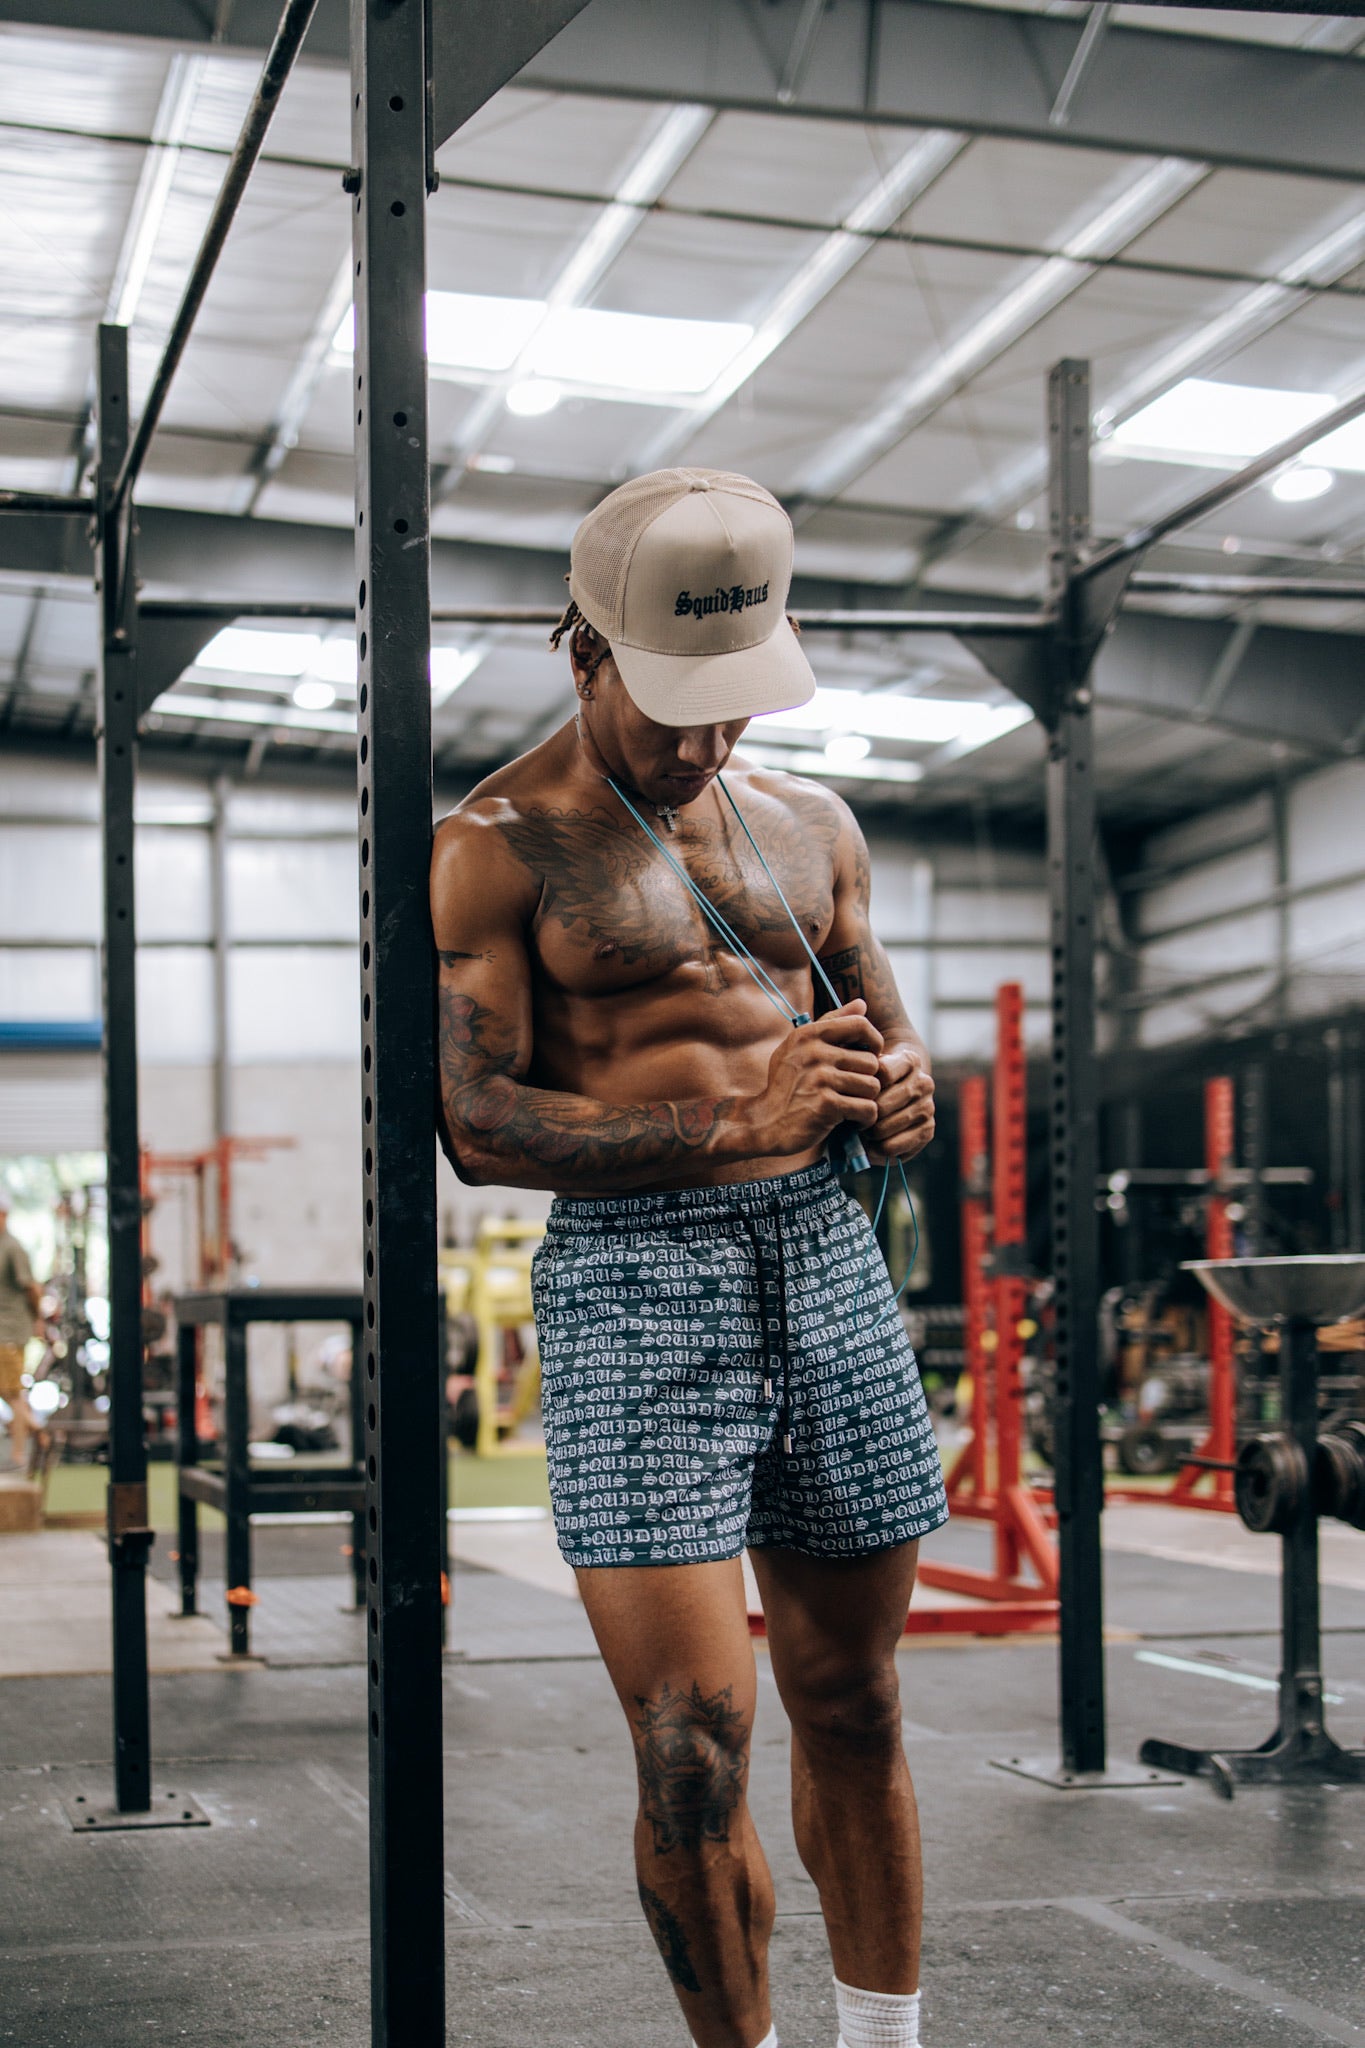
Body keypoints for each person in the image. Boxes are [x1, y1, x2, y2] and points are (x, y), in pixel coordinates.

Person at [430, 468, 947, 2048]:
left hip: (827, 1264)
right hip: (635, 1284)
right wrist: (736, 1122)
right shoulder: (497, 847)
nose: (707, 741)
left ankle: (883, 2041)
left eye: (731, 704)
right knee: (688, 1751)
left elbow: (877, 1026)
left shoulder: (814, 826)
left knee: (852, 1703)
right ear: (578, 649)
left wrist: (911, 1086)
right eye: (673, 706)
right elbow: (476, 1123)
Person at [0, 1194, 41, 1473]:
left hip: (9, 1331)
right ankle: (41, 1434)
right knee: (8, 1391)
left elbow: (32, 1288)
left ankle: (19, 1455)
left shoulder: (12, 1248)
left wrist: (37, 1319)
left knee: (13, 1393)